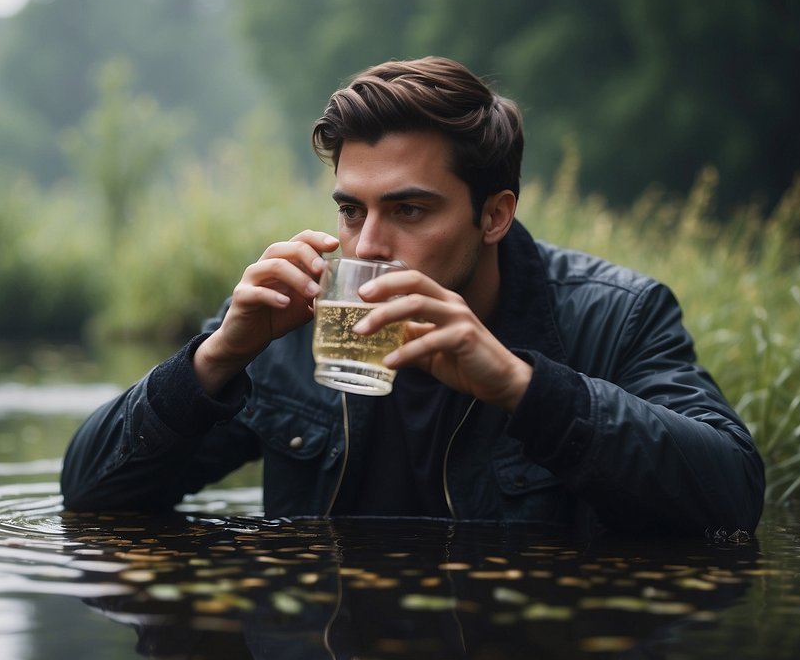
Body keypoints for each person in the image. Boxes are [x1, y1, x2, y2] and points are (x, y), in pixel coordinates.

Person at [60, 56, 764, 535]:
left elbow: (730, 495)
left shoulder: (615, 315)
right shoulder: (293, 324)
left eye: (409, 210)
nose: (365, 246)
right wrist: (215, 358)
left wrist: (522, 387)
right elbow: (90, 496)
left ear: (493, 215)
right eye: (350, 209)